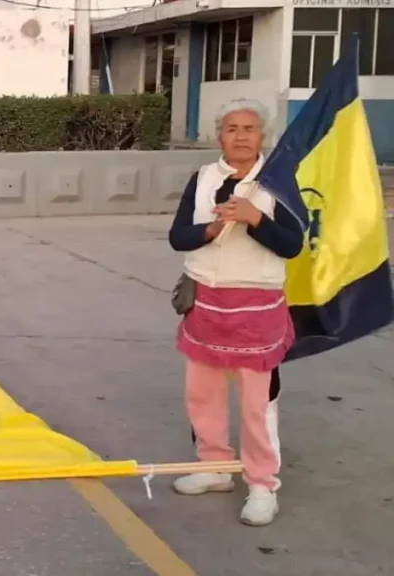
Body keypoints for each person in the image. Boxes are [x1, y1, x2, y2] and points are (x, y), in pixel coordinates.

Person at [167, 98, 303, 527]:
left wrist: (254, 218)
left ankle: (262, 484)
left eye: (249, 128)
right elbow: (178, 237)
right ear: (218, 135)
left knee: (255, 404)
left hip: (257, 308)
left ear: (263, 136)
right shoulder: (204, 177)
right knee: (201, 395)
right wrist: (212, 227)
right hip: (205, 302)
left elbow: (292, 244)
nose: (240, 136)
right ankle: (214, 468)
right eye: (231, 128)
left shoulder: (279, 181)